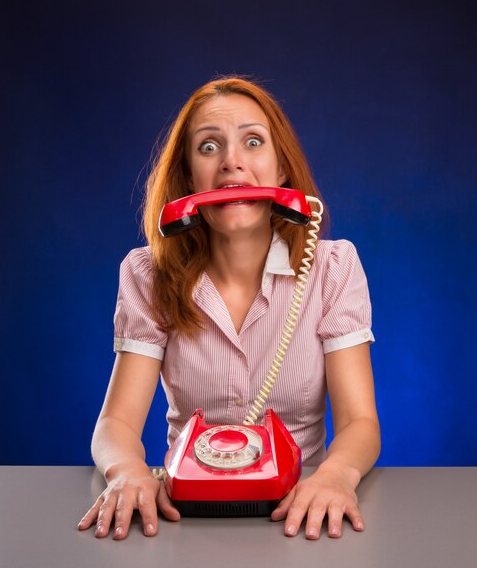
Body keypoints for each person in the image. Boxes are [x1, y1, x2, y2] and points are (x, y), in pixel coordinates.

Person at [78, 76, 380, 541]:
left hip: (304, 515)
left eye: (253, 142)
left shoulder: (332, 267)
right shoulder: (147, 275)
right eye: (208, 147)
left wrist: (336, 477)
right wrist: (125, 470)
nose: (232, 163)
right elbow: (116, 422)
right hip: (184, 520)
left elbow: (360, 421)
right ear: (187, 179)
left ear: (281, 170)